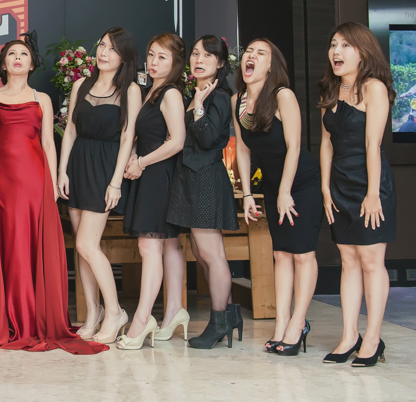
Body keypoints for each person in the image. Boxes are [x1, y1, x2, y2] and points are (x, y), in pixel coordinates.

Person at [0, 36, 106, 354]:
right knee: (4, 245)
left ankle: (30, 318)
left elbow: (48, 143)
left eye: (24, 54)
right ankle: (3, 318)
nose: (18, 57)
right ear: (3, 64)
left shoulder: (41, 98)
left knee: (28, 243)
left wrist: (54, 180)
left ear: (31, 64)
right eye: (12, 54)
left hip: (34, 181)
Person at [233, 38, 321, 357]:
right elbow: (243, 150)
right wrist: (247, 194)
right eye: (248, 51)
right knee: (281, 254)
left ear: (271, 66)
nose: (251, 56)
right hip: (272, 185)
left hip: (302, 183)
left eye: (261, 53)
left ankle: (298, 323)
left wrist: (286, 191)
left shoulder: (283, 95)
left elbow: (294, 146)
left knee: (302, 254)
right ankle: (281, 323)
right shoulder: (238, 100)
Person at [318, 22, 396, 367]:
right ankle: (349, 335)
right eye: (333, 44)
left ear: (363, 52)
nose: (336, 51)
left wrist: (373, 193)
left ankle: (373, 338)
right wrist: (325, 188)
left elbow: (372, 145)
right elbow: (325, 144)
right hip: (339, 186)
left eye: (345, 45)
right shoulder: (330, 91)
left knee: (370, 261)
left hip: (369, 184)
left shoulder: (373, 88)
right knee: (347, 260)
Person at [57, 27, 141, 343]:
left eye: (113, 49)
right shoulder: (81, 84)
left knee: (87, 245)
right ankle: (93, 312)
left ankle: (115, 311)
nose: (104, 53)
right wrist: (61, 171)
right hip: (78, 165)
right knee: (82, 249)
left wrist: (116, 182)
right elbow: (70, 131)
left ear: (124, 57)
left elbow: (128, 137)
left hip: (105, 168)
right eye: (102, 45)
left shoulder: (130, 90)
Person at [166, 35, 242, 348]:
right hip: (190, 179)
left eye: (208, 56)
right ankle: (229, 315)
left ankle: (219, 321)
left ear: (220, 63)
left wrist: (198, 108)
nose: (199, 60)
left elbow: (210, 139)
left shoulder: (219, 95)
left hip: (206, 179)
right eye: (196, 54)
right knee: (201, 253)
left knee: (212, 254)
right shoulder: (195, 92)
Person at [118, 33, 187, 350]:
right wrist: (135, 155)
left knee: (149, 246)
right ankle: (174, 312)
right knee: (167, 245)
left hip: (159, 175)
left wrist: (142, 162)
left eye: (162, 57)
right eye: (151, 55)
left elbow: (177, 141)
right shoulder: (152, 92)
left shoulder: (170, 93)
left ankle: (142, 320)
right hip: (151, 173)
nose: (153, 62)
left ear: (175, 63)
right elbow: (148, 136)